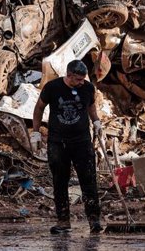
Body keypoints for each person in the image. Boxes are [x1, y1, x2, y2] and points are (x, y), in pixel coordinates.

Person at [31, 59, 103, 234]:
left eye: (83, 79)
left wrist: (97, 121)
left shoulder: (87, 88)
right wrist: (35, 132)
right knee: (60, 181)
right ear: (69, 75)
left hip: (82, 142)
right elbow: (39, 108)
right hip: (58, 143)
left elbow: (91, 106)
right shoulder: (52, 88)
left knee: (89, 181)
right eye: (78, 79)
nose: (81, 83)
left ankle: (94, 220)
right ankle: (63, 221)